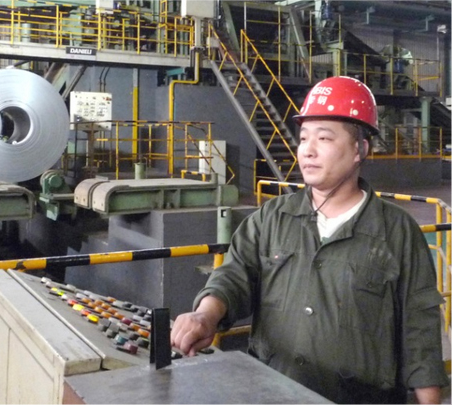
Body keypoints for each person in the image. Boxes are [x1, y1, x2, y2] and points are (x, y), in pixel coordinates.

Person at [170, 76, 449, 404]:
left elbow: (420, 330)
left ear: (360, 149)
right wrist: (206, 315)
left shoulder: (397, 232)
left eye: (324, 138)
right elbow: (234, 275)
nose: (308, 150)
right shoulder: (271, 218)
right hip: (273, 395)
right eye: (303, 138)